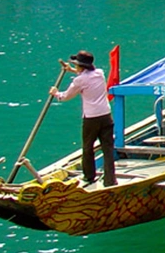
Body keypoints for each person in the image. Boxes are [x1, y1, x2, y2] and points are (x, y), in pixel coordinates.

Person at [50, 50, 117, 187]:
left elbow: (66, 96)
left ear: (81, 66)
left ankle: (89, 176)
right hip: (105, 115)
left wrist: (56, 93)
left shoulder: (79, 80)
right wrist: (72, 70)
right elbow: (87, 77)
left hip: (91, 118)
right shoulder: (100, 73)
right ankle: (110, 179)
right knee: (108, 149)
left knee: (88, 148)